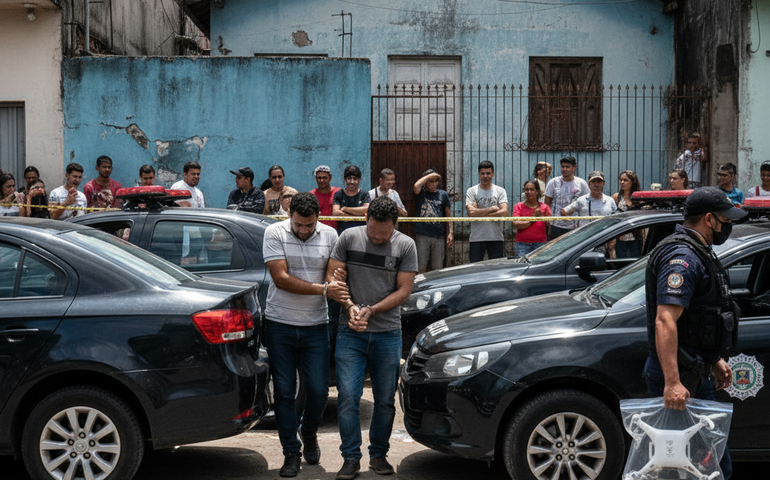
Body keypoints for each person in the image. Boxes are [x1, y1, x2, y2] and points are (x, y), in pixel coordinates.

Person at [643, 187, 747, 480]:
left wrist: (713, 359)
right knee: (703, 468)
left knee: (705, 465)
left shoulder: (698, 251)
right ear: (709, 219)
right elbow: (666, 320)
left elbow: (698, 319)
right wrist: (673, 382)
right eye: (726, 220)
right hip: (683, 380)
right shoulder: (683, 257)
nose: (729, 225)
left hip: (694, 370)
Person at [326, 196, 417, 480]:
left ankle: (378, 454)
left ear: (395, 226)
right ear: (366, 220)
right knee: (348, 397)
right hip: (350, 330)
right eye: (373, 231)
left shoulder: (406, 245)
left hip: (388, 332)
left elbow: (404, 291)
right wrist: (350, 308)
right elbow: (333, 277)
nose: (378, 237)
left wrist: (372, 310)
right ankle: (350, 457)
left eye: (384, 233)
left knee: (385, 400)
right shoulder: (348, 237)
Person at [262, 192, 349, 478]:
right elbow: (281, 279)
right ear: (290, 216)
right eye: (298, 225)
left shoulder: (330, 236)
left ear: (317, 219)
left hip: (316, 325)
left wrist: (332, 283)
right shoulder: (274, 233)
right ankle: (291, 452)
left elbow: (332, 276)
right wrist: (323, 290)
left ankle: (309, 432)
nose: (303, 230)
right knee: (285, 392)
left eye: (309, 225)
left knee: (319, 390)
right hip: (279, 324)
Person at [465, 160, 509, 262]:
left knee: (496, 269)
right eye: (483, 173)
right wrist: (492, 209)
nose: (485, 176)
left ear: (493, 174)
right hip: (477, 237)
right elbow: (471, 214)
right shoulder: (472, 191)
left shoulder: (500, 191)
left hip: (496, 237)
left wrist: (479, 212)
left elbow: (504, 212)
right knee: (475, 269)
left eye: (488, 173)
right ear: (479, 174)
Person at [412, 168, 453, 272]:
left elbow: (448, 215)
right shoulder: (422, 193)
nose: (434, 184)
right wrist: (428, 177)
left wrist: (450, 232)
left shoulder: (443, 194)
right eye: (431, 181)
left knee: (438, 267)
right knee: (420, 266)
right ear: (426, 182)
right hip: (423, 234)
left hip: (438, 234)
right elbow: (416, 186)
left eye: (436, 181)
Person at [544, 156, 590, 239]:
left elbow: (586, 204)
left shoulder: (581, 183)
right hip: (556, 226)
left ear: (574, 167)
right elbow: (546, 204)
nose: (564, 169)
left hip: (575, 226)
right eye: (563, 166)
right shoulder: (553, 182)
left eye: (567, 167)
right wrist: (548, 224)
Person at [512, 179, 552, 256]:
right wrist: (534, 219)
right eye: (526, 190)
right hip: (522, 244)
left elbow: (550, 225)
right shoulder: (519, 206)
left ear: (537, 191)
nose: (529, 192)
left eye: (531, 189)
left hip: (540, 244)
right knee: (523, 266)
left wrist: (543, 218)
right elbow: (516, 224)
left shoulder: (544, 207)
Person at [612, 170, 644, 258]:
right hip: (621, 237)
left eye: (625, 180)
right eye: (621, 180)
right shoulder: (616, 197)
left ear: (632, 182)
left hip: (636, 237)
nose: (622, 182)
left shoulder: (638, 198)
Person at [333, 165, 370, 235]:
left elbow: (367, 210)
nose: (352, 182)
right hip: (343, 234)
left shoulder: (364, 195)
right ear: (345, 179)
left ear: (359, 180)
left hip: (361, 234)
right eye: (349, 178)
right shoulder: (339, 194)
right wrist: (358, 214)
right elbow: (335, 213)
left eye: (355, 179)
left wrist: (345, 209)